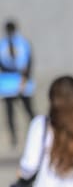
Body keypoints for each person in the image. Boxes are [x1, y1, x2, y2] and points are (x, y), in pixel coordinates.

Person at [0, 20, 36, 148]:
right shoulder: (3, 44)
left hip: (21, 79)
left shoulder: (22, 43)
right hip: (8, 82)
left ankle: (36, 133)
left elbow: (29, 62)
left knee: (28, 109)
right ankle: (13, 137)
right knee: (9, 111)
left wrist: (25, 79)